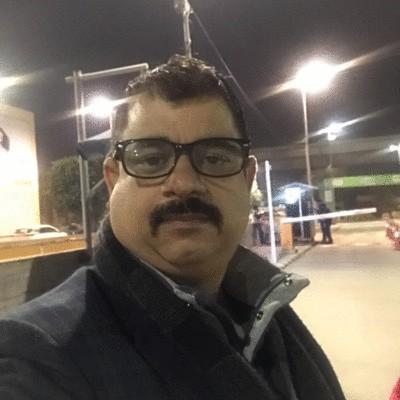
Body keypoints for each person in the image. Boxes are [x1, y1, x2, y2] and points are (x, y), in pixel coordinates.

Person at [0, 56, 345, 400]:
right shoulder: (36, 356)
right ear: (113, 181)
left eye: (214, 158)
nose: (184, 183)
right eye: (151, 159)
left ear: (247, 178)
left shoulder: (265, 315)